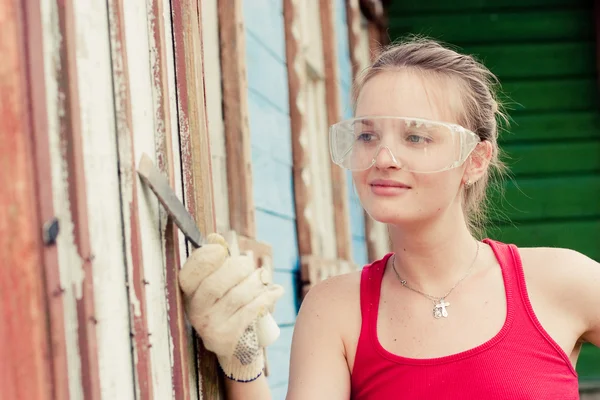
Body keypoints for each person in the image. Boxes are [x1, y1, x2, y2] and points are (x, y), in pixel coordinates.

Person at [179, 38, 600, 399]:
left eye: (415, 137)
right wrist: (242, 356)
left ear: (475, 160)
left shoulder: (560, 280)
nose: (382, 158)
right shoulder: (335, 310)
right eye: (367, 135)